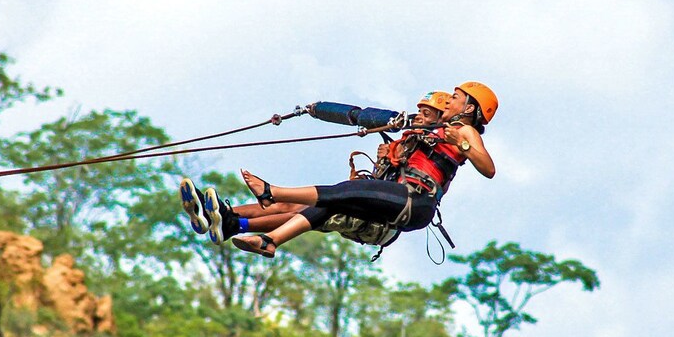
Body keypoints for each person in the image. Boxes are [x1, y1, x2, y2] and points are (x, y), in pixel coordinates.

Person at [219, 81, 497, 258]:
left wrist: (461, 144)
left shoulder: (466, 131)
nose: (450, 100)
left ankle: (271, 192)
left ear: (470, 108)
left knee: (341, 193)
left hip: (416, 202)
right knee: (334, 202)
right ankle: (265, 238)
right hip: (398, 199)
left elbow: (488, 168)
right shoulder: (420, 129)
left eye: (456, 98)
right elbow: (363, 115)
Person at [180, 91, 452, 247]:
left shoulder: (442, 141)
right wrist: (316, 109)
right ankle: (222, 219)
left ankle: (242, 222)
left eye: (427, 114)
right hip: (373, 208)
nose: (420, 117)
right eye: (419, 111)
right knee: (289, 206)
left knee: (311, 208)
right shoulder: (407, 140)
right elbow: (360, 116)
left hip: (383, 224)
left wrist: (395, 156)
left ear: (440, 119)